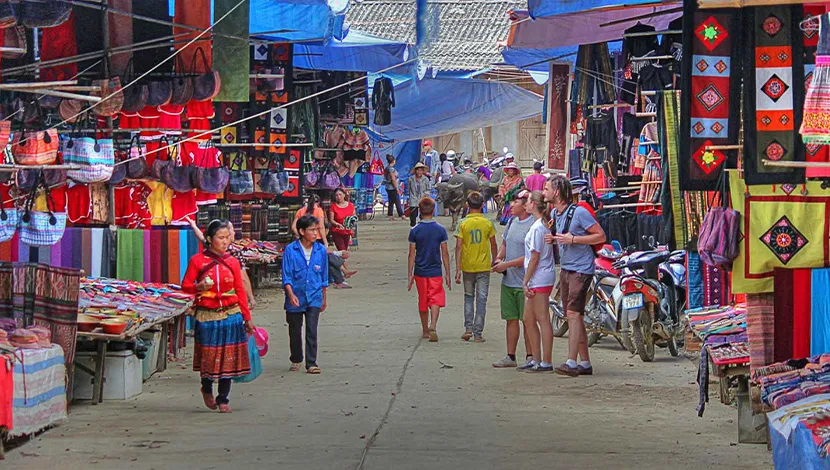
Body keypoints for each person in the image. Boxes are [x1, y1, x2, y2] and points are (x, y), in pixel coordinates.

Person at [182, 219, 255, 413]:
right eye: (220, 238)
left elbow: (239, 290)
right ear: (209, 239)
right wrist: (198, 287)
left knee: (228, 358)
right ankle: (206, 388)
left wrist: (247, 318)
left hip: (231, 316)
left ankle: (224, 398)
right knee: (209, 357)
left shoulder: (232, 261)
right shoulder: (197, 261)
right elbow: (185, 286)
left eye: (227, 238)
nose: (225, 242)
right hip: (207, 316)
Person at [544, 175, 607, 377]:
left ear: (557, 191)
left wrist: (574, 239)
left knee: (573, 313)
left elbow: (600, 235)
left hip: (581, 268)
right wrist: (554, 239)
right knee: (574, 315)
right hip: (567, 267)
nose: (544, 192)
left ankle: (571, 362)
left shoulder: (579, 212)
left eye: (547, 188)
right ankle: (585, 363)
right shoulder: (555, 212)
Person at [491, 189, 535, 368]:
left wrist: (507, 264)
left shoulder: (535, 225)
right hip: (508, 280)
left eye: (515, 202)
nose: (511, 205)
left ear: (525, 205)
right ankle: (511, 356)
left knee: (528, 321)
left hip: (526, 282)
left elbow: (532, 256)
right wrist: (499, 258)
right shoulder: (511, 222)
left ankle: (531, 356)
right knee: (511, 319)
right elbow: (505, 243)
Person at [282, 214, 329, 374]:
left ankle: (311, 362)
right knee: (294, 330)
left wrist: (324, 298)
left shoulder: (321, 250)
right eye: (312, 230)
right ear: (302, 231)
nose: (316, 233)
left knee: (312, 330)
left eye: (317, 230)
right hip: (295, 296)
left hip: (314, 295)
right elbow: (286, 276)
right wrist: (290, 294)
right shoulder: (290, 250)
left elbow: (324, 276)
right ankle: (296, 358)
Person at [520, 191, 557, 373]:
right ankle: (536, 357)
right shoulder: (540, 225)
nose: (525, 204)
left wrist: (525, 281)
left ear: (534, 204)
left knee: (542, 318)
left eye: (527, 201)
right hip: (539, 276)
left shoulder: (538, 228)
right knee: (528, 318)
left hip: (539, 276)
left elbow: (535, 257)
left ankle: (546, 361)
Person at [454, 191, 497, 342]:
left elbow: (458, 246)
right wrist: (495, 260)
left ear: (467, 205)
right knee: (482, 299)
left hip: (467, 266)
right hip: (484, 266)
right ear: (483, 205)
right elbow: (493, 244)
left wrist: (458, 268)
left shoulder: (462, 223)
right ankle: (478, 334)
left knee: (468, 297)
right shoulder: (487, 223)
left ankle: (468, 329)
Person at [407, 197, 451, 342]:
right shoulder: (440, 230)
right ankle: (433, 324)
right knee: (435, 298)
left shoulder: (415, 230)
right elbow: (444, 253)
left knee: (423, 300)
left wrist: (410, 275)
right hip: (435, 271)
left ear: (419, 211)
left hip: (420, 271)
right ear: (433, 210)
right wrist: (448, 273)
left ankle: (425, 330)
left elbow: (411, 254)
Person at [188, 218, 256, 309]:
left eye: (227, 236)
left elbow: (239, 286)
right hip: (208, 312)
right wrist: (198, 287)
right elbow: (243, 278)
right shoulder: (198, 260)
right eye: (231, 230)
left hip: (231, 310)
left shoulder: (232, 256)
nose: (234, 233)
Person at [407, 162, 432, 227]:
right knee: (413, 215)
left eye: (421, 170)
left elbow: (428, 189)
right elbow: (409, 190)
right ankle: (413, 228)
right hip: (413, 198)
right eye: (418, 170)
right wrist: (409, 199)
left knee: (423, 215)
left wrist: (425, 194)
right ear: (415, 171)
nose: (419, 172)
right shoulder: (411, 179)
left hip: (423, 198)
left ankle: (422, 228)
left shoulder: (426, 179)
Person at [383, 154, 406, 221]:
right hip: (392, 187)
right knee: (397, 201)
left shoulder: (386, 168)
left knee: (391, 201)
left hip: (388, 187)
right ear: (393, 161)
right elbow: (393, 179)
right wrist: (397, 188)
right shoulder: (391, 169)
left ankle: (390, 215)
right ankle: (402, 215)